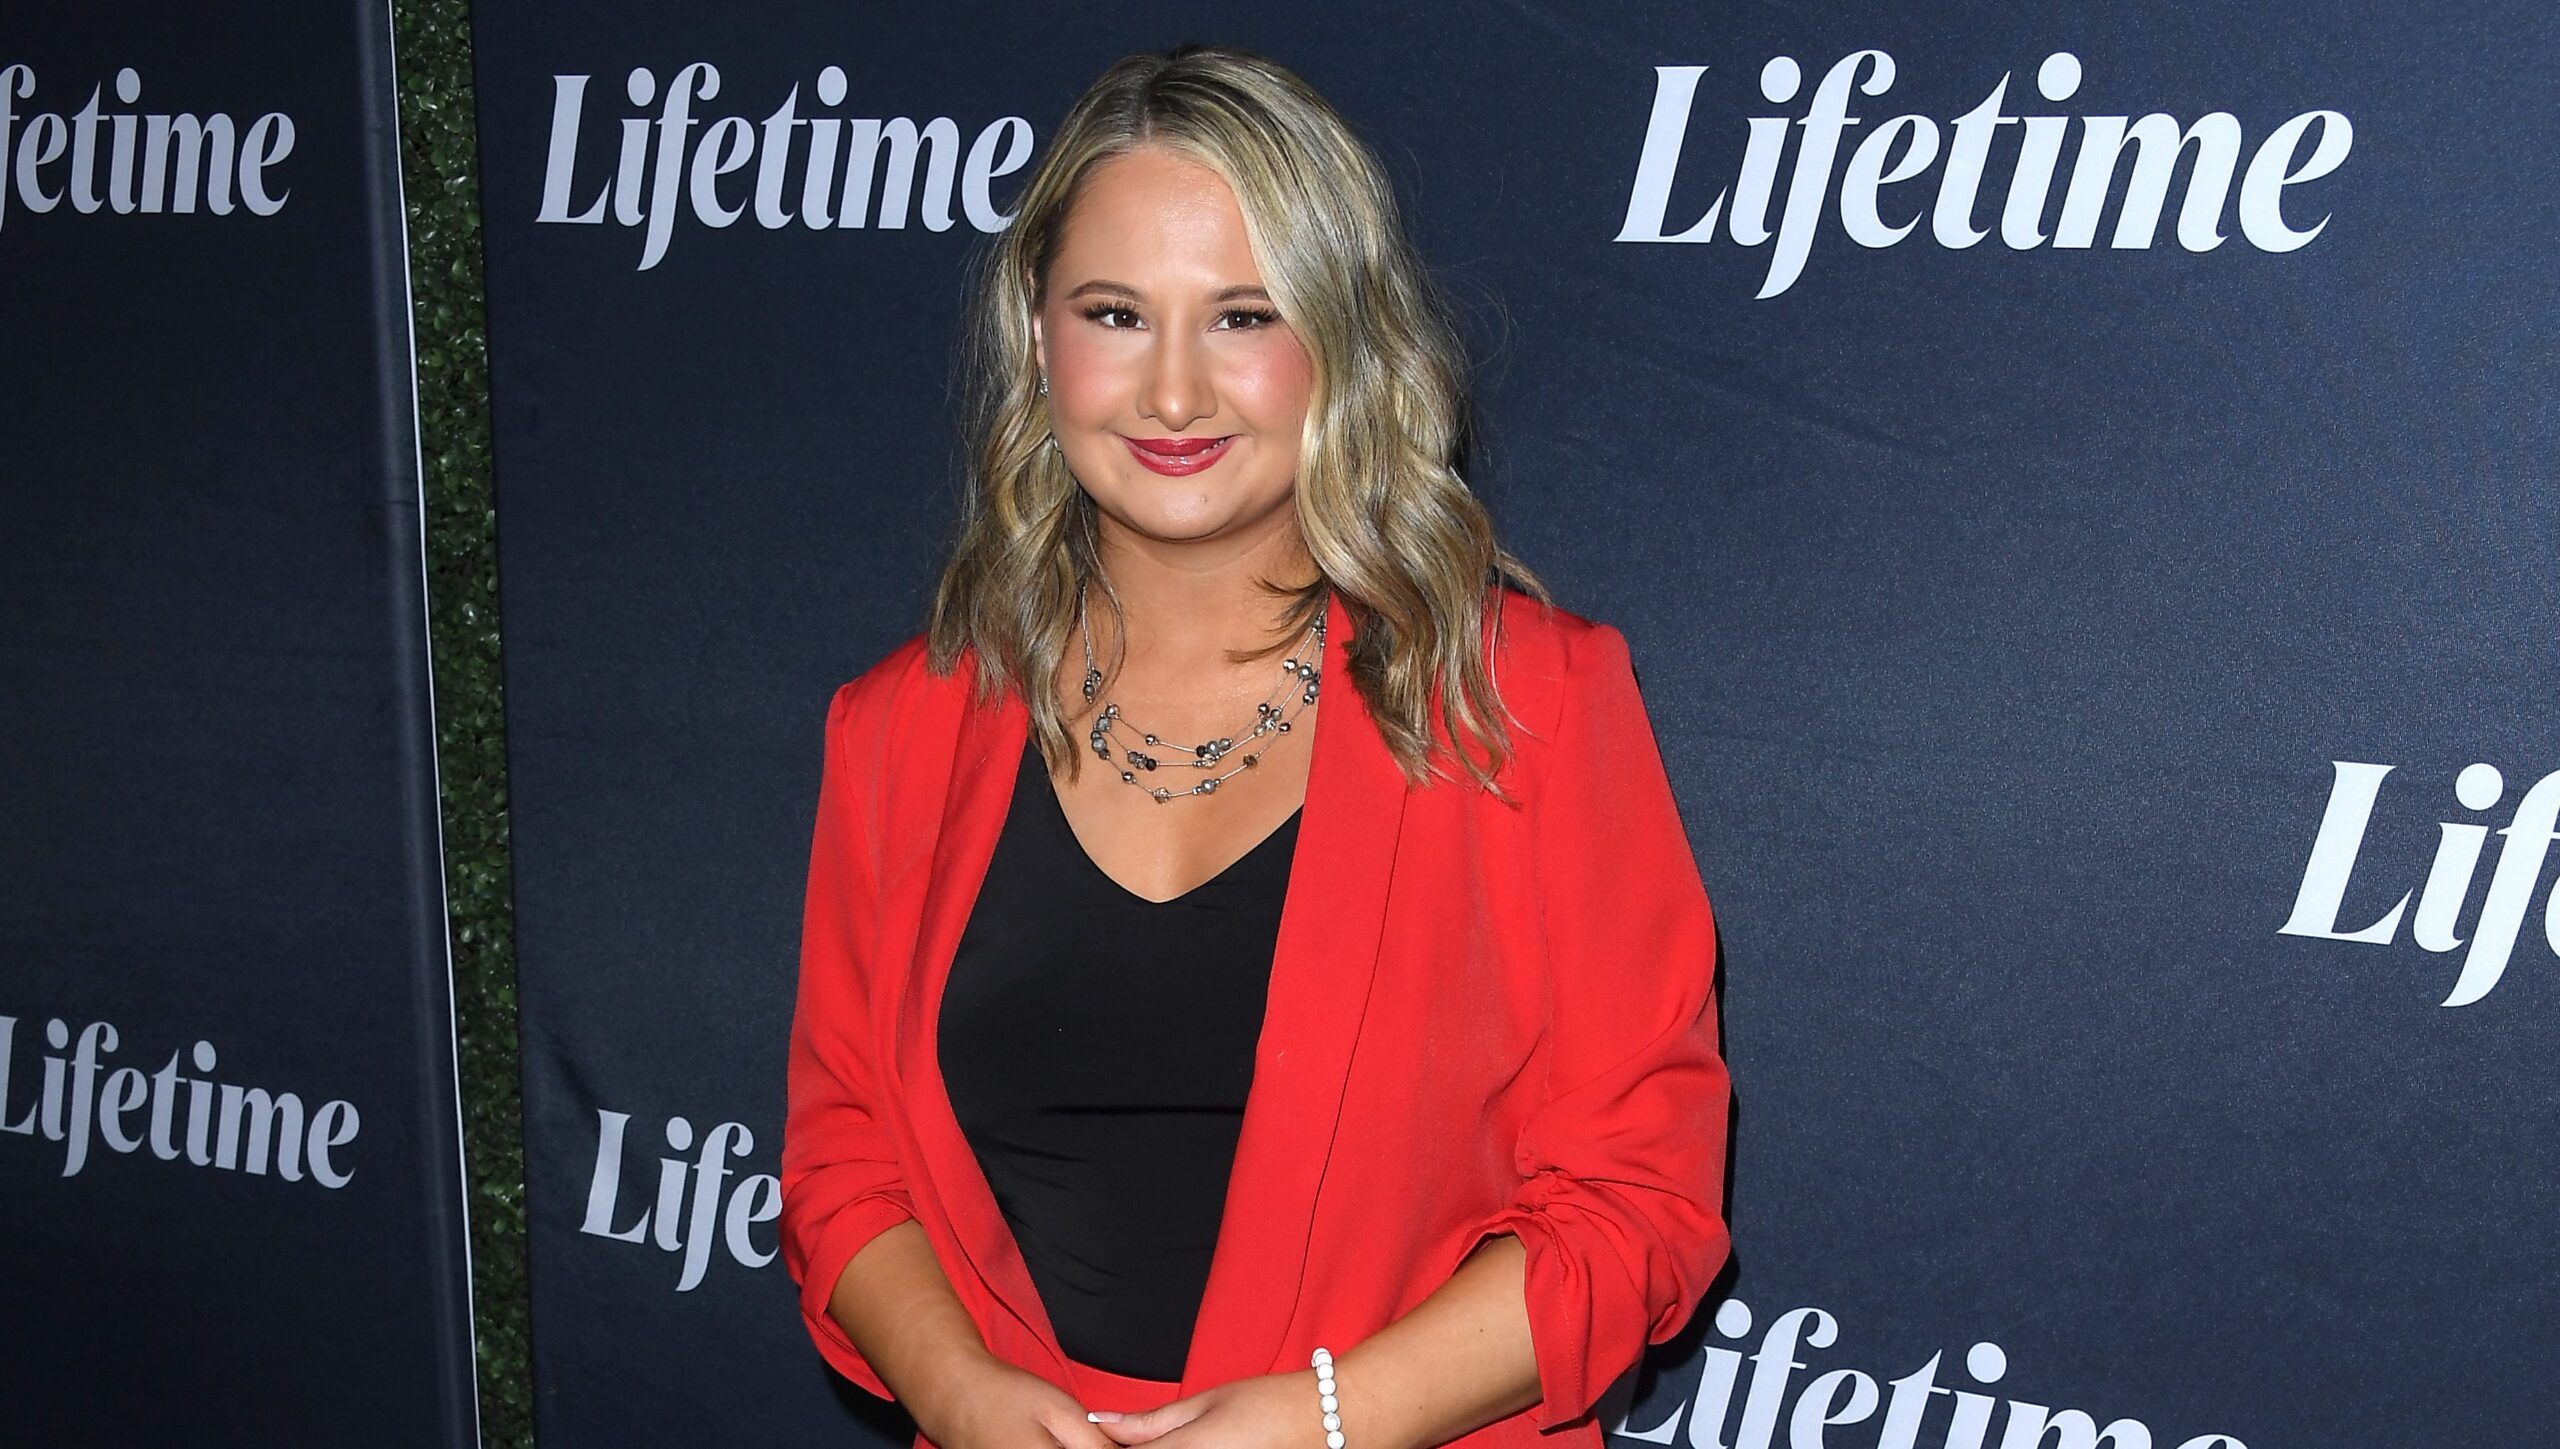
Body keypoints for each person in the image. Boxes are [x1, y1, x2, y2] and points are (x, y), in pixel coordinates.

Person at [779, 42, 1729, 1449]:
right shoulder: (897, 728)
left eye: (1241, 315)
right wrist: (963, 1394)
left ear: (1338, 341)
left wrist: (1327, 1421)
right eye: (1115, 312)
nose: (1172, 395)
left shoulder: (1526, 703)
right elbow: (844, 1151)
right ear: (1039, 337)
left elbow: (1640, 1197)